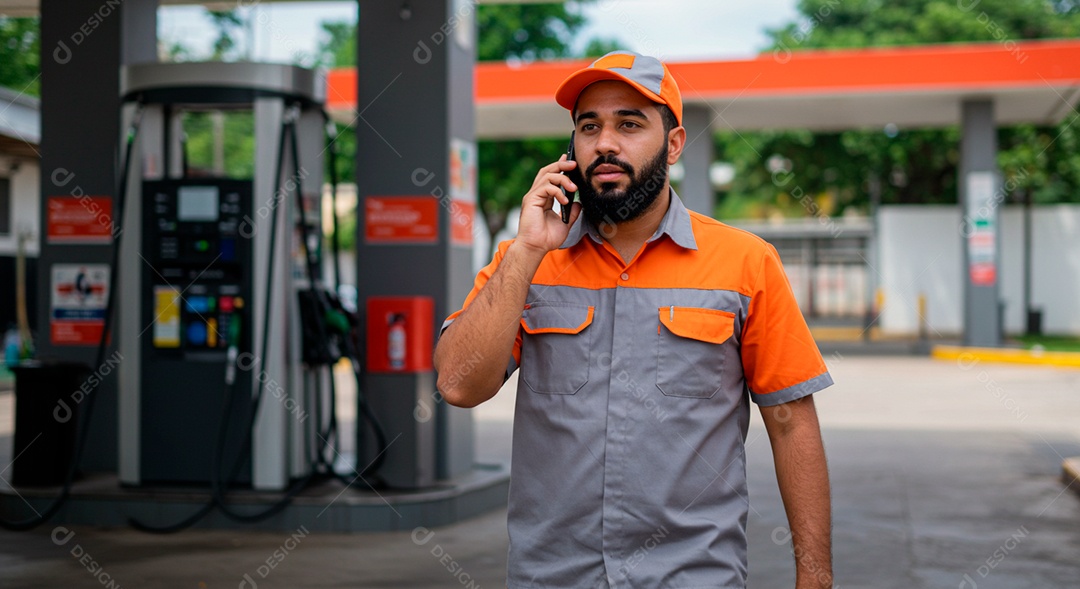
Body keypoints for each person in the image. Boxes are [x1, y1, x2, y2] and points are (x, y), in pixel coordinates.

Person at [434, 51, 834, 589]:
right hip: (552, 577)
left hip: (694, 576)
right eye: (589, 126)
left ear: (674, 143)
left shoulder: (745, 262)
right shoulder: (525, 260)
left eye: (629, 124)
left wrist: (816, 578)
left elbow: (791, 423)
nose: (605, 143)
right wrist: (527, 251)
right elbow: (458, 386)